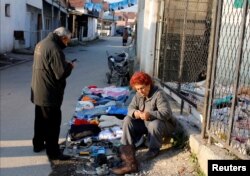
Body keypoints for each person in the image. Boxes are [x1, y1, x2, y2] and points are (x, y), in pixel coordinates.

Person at [112, 71, 176, 175]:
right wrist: (135, 113)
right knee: (128, 120)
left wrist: (150, 114)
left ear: (149, 84)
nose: (140, 91)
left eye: (142, 88)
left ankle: (153, 150)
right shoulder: (138, 95)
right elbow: (130, 108)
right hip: (146, 125)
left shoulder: (158, 94)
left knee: (154, 124)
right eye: (137, 89)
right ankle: (129, 158)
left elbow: (166, 113)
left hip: (164, 126)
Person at [31, 27, 74, 161]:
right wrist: (70, 66)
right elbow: (60, 73)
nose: (68, 43)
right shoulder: (55, 48)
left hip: (38, 89)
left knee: (40, 120)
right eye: (68, 40)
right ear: (63, 38)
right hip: (49, 92)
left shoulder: (42, 43)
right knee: (53, 123)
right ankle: (53, 152)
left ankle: (37, 145)